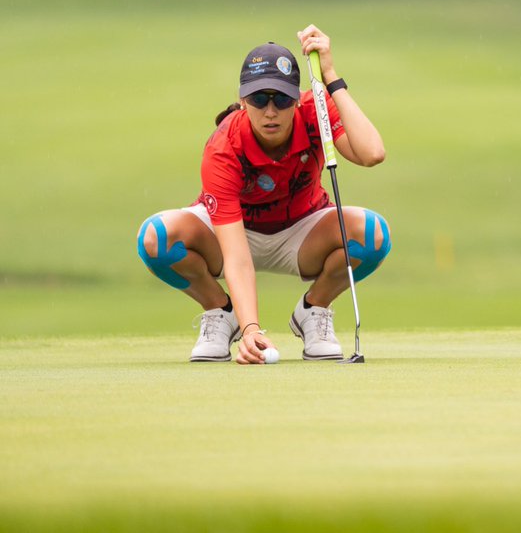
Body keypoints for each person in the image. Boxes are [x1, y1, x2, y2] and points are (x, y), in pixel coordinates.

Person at [137, 25, 390, 365]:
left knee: (372, 235)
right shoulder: (224, 146)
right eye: (259, 99)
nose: (270, 111)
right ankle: (219, 311)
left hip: (302, 231)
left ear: (296, 99)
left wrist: (330, 76)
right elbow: (237, 256)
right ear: (243, 100)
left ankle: (313, 310)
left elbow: (372, 152)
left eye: (282, 99)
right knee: (157, 239)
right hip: (232, 233)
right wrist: (251, 327)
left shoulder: (314, 109)